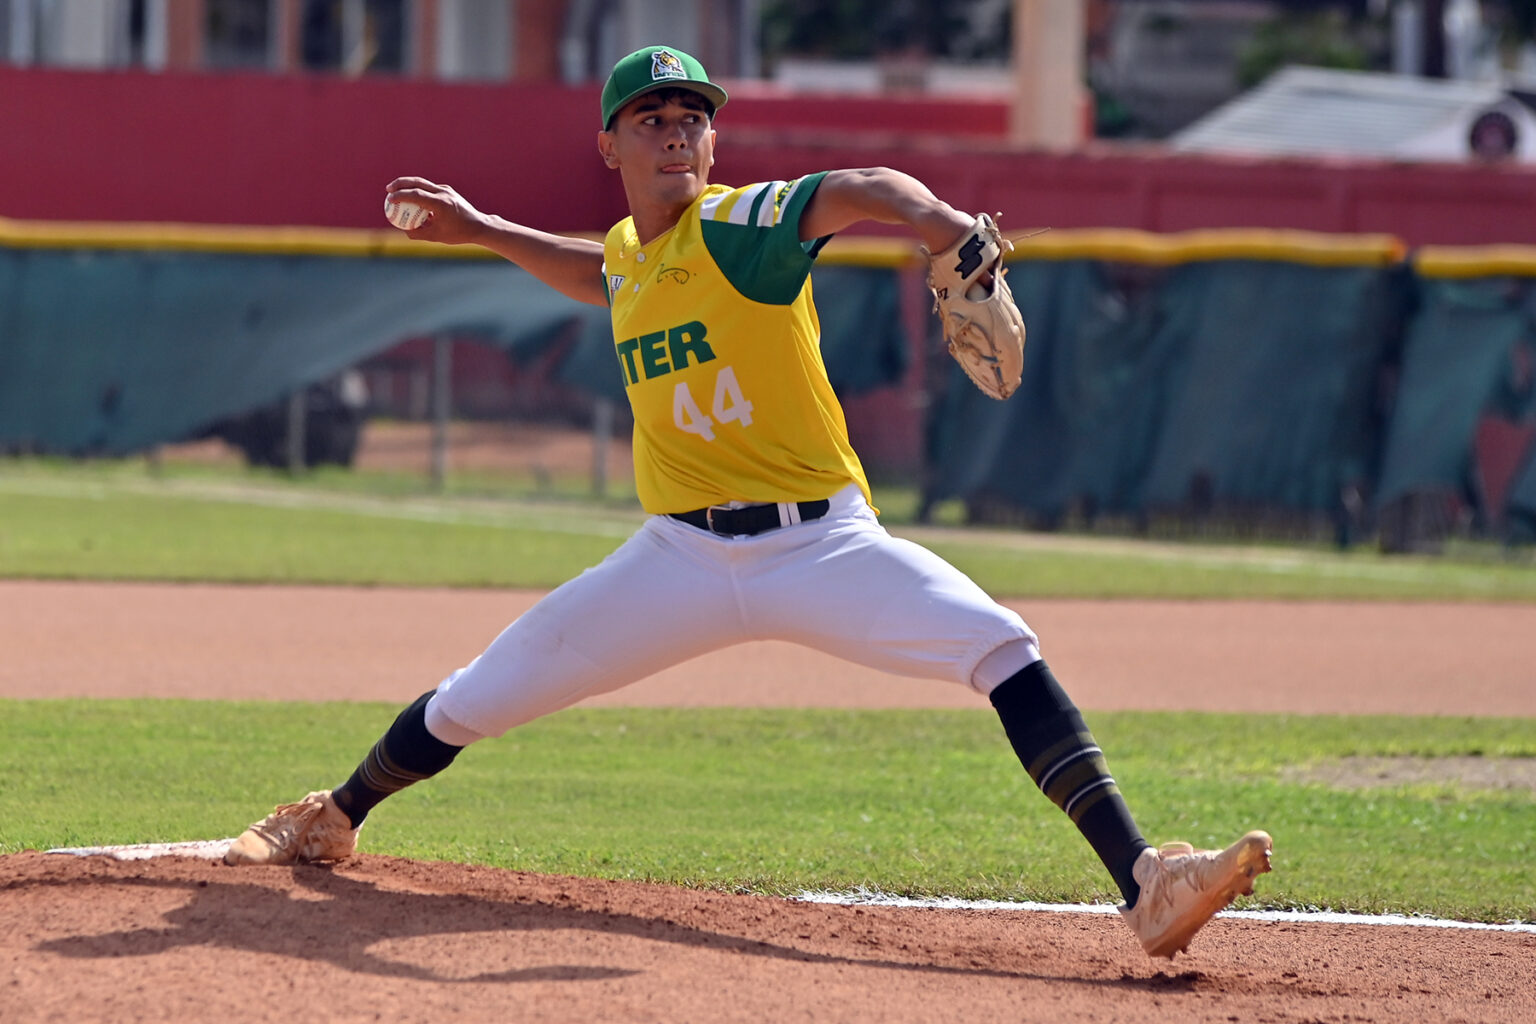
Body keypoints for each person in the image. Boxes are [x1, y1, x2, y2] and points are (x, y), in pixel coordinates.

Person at [225, 45, 1271, 960]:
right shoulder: (638, 257)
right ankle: (334, 814)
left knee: (1000, 644)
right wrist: (482, 227)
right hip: (676, 559)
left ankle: (1144, 881)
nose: (677, 134)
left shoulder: (741, 226)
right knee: (478, 696)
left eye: (693, 120)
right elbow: (601, 271)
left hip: (822, 547)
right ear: (611, 147)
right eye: (653, 119)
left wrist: (943, 226)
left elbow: (861, 184)